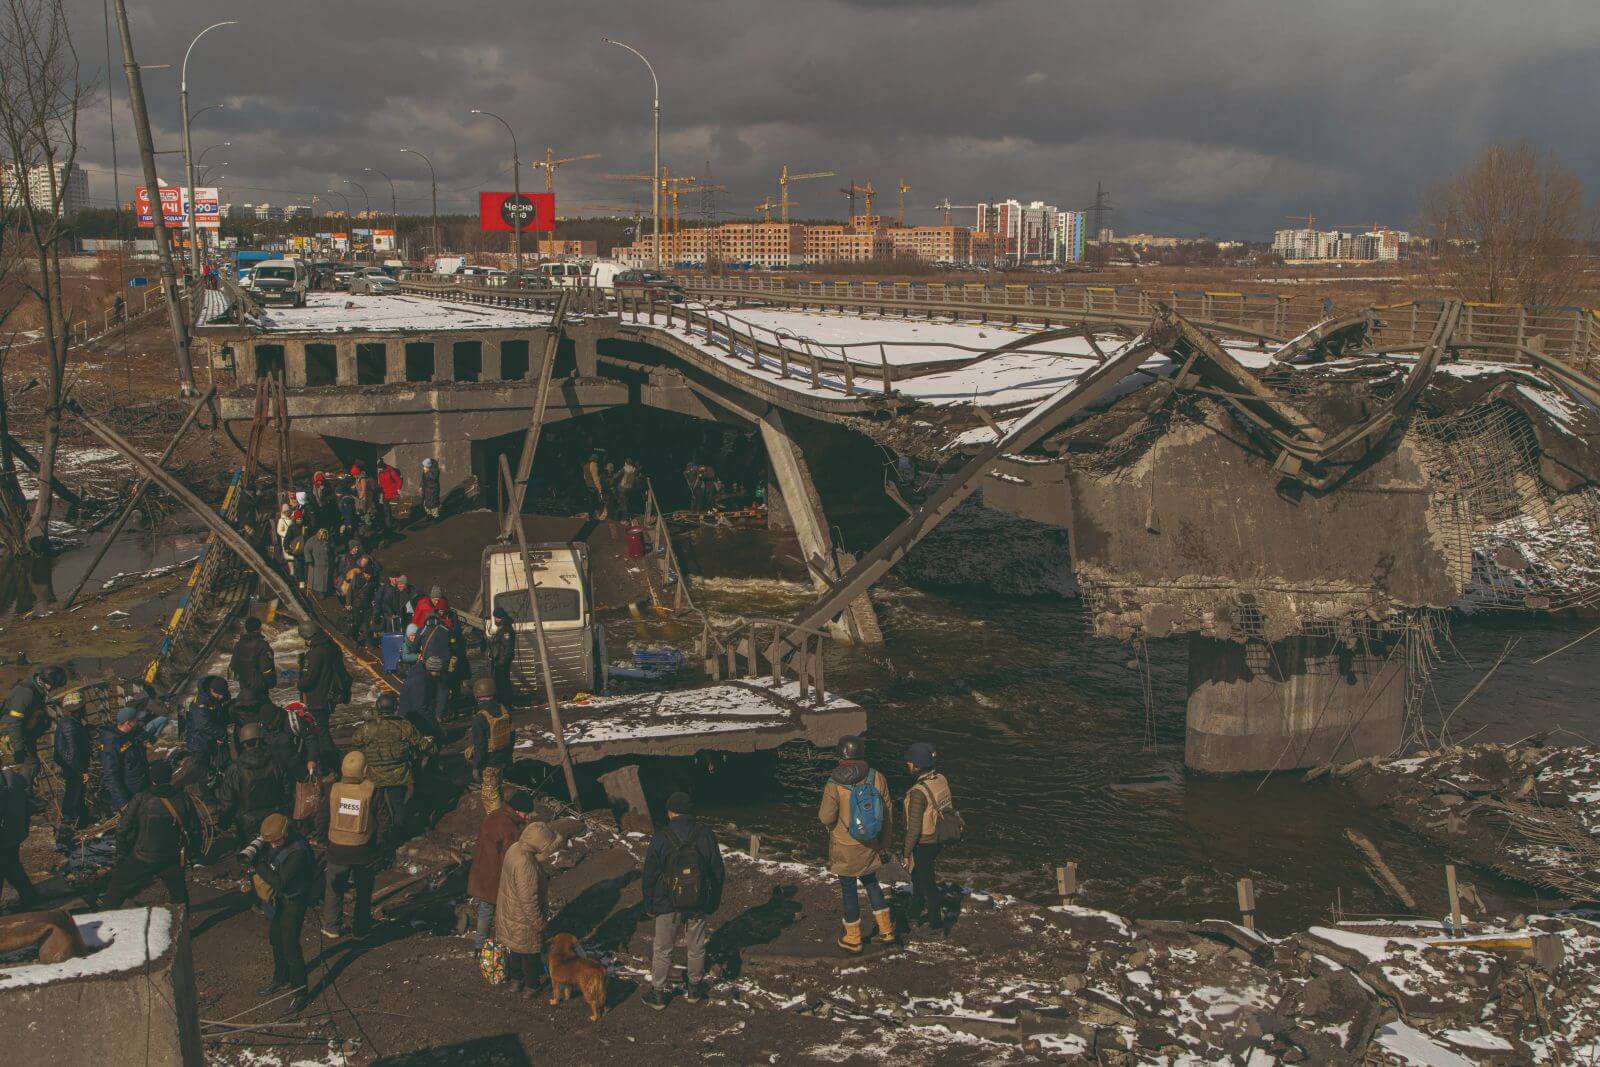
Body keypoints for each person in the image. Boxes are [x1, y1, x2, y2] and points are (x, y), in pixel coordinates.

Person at [640, 791, 725, 1010]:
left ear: (671, 812)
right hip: (697, 901)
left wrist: (649, 903)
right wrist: (713, 900)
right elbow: (717, 871)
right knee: (696, 946)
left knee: (662, 948)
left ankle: (658, 993)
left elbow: (649, 874)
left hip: (667, 902)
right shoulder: (705, 834)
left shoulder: (661, 836)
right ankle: (694, 989)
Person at [817, 735, 895, 953]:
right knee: (871, 882)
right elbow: (888, 815)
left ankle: (853, 938)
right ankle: (887, 930)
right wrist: (884, 845)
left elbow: (825, 818)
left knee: (849, 889)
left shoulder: (834, 783)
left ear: (841, 754)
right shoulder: (877, 777)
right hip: (870, 844)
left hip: (844, 846)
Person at [101, 759, 199, 908]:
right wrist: (193, 854)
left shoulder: (141, 798)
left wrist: (122, 855)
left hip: (142, 857)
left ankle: (102, 925)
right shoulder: (183, 798)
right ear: (169, 777)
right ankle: (184, 927)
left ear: (152, 780)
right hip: (172, 857)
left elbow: (122, 829)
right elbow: (195, 829)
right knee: (179, 896)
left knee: (115, 891)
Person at [250, 813, 317, 1015]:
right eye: (269, 842)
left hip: (294, 900)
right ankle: (281, 978)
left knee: (290, 947)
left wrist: (258, 865)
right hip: (279, 900)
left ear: (286, 834)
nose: (273, 845)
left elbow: (280, 882)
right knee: (275, 939)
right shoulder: (276, 841)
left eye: (276, 841)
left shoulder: (299, 852)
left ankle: (300, 992)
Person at [351, 692, 436, 846]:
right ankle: (398, 835)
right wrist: (431, 742)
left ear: (377, 707)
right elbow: (421, 744)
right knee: (398, 806)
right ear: (395, 708)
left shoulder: (368, 727)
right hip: (398, 774)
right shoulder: (403, 725)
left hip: (374, 775)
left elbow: (356, 740)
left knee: (376, 806)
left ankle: (377, 834)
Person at [317, 751, 385, 940]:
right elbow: (384, 821)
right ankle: (360, 929)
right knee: (364, 892)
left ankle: (331, 926)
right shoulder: (372, 790)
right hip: (363, 850)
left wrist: (326, 841)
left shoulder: (333, 790)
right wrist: (378, 846)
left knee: (334, 889)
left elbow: (321, 820)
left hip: (337, 849)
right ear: (365, 769)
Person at [495, 820, 563, 996]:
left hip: (509, 911)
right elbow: (529, 902)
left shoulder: (515, 848)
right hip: (523, 917)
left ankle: (516, 981)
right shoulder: (527, 865)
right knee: (530, 954)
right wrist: (540, 924)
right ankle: (531, 986)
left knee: (515, 949)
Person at [899, 742, 960, 932]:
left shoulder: (918, 793)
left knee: (928, 883)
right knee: (918, 876)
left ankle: (935, 924)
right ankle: (915, 910)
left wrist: (906, 852)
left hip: (925, 842)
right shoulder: (940, 778)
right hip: (938, 838)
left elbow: (914, 829)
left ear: (917, 765)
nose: (907, 764)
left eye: (909, 762)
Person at [466, 791, 535, 950]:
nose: (526, 817)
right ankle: (500, 946)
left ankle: (480, 946)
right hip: (496, 875)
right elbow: (512, 855)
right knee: (499, 912)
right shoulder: (508, 827)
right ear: (517, 810)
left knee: (486, 909)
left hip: (483, 870)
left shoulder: (496, 815)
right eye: (525, 813)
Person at [217, 721, 292, 839]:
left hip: (247, 824)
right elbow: (287, 792)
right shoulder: (276, 763)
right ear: (260, 741)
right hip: (274, 819)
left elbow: (227, 802)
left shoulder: (234, 769)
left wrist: (223, 825)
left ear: (243, 744)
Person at [297, 622, 350, 765]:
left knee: (321, 733)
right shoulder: (332, 647)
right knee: (322, 730)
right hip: (328, 696)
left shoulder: (315, 654)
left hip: (317, 698)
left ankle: (334, 764)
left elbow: (307, 681)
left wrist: (299, 681)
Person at [3, 664, 65, 772]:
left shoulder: (36, 687)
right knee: (31, 766)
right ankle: (20, 787)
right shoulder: (25, 694)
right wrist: (19, 750)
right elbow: (14, 722)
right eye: (56, 687)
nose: (55, 689)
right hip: (11, 733)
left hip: (25, 732)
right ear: (48, 684)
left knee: (32, 767)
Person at [468, 678, 515, 813]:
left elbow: (480, 746)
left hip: (489, 763)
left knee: (490, 798)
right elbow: (512, 736)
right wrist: (509, 757)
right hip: (502, 758)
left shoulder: (480, 718)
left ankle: (498, 826)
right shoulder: (504, 711)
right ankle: (503, 818)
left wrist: (476, 767)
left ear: (477, 696)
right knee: (498, 790)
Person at [51, 691, 90, 849]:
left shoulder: (68, 722)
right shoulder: (70, 725)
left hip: (71, 767)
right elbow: (72, 752)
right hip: (74, 769)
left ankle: (81, 824)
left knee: (77, 796)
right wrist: (82, 770)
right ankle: (65, 835)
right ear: (79, 708)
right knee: (72, 797)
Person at [0, 756, 38, 911]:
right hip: (15, 832)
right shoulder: (13, 778)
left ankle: (29, 896)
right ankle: (29, 896)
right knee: (11, 866)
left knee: (6, 867)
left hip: (4, 834)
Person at [100, 706, 150, 810]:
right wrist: (122, 802)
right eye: (136, 720)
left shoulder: (129, 736)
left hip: (141, 789)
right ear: (128, 723)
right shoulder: (112, 744)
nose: (139, 722)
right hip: (130, 795)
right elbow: (111, 774)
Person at [185, 675, 234, 778]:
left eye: (223, 694)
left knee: (225, 761)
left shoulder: (221, 695)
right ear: (211, 690)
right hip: (198, 739)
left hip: (214, 734)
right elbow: (204, 724)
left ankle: (227, 778)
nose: (221, 697)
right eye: (218, 694)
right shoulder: (201, 703)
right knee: (201, 769)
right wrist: (221, 734)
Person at [230, 617, 279, 706]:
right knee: (262, 711)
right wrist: (271, 683)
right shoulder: (262, 645)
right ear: (260, 628)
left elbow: (232, 667)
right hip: (260, 687)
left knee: (248, 711)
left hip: (244, 687)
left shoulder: (238, 645)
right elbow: (267, 668)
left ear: (246, 628)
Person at [398, 654, 445, 743]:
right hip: (412, 718)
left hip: (409, 715)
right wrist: (435, 725)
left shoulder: (418, 673)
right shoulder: (420, 682)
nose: (439, 674)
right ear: (430, 669)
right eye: (437, 671)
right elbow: (420, 708)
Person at [487, 607, 516, 707]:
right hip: (500, 660)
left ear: (499, 618)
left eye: (496, 618)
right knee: (502, 682)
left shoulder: (505, 629)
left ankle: (505, 704)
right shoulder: (503, 627)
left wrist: (502, 661)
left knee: (503, 683)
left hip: (502, 661)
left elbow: (508, 647)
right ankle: (505, 703)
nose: (495, 620)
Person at [303, 527, 334, 597]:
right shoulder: (312, 540)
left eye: (325, 535)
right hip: (316, 564)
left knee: (324, 580)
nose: (324, 537)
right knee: (316, 579)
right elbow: (306, 549)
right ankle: (318, 592)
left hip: (326, 564)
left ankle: (323, 591)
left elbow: (332, 550)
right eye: (323, 535)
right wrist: (309, 560)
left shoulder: (328, 541)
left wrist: (332, 559)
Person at [582, 451, 608, 520]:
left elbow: (584, 477)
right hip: (593, 486)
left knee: (590, 501)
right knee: (595, 501)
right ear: (596, 459)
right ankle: (596, 516)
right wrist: (599, 488)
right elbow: (595, 478)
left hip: (587, 485)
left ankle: (590, 516)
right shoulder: (594, 465)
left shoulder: (585, 465)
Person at [420, 457, 441, 521]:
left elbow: (434, 478)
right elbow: (423, 479)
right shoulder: (426, 470)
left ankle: (436, 517)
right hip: (426, 489)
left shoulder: (434, 470)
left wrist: (427, 472)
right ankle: (429, 514)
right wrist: (421, 486)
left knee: (433, 504)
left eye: (425, 466)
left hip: (433, 490)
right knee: (426, 503)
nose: (424, 468)